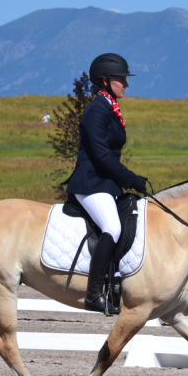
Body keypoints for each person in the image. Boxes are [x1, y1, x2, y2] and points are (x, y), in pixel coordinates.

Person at [65, 53, 147, 315]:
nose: (126, 84)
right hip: (90, 182)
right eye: (121, 79)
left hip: (105, 183)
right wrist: (131, 179)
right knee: (111, 226)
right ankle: (92, 295)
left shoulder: (108, 107)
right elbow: (101, 156)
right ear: (105, 80)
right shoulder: (96, 111)